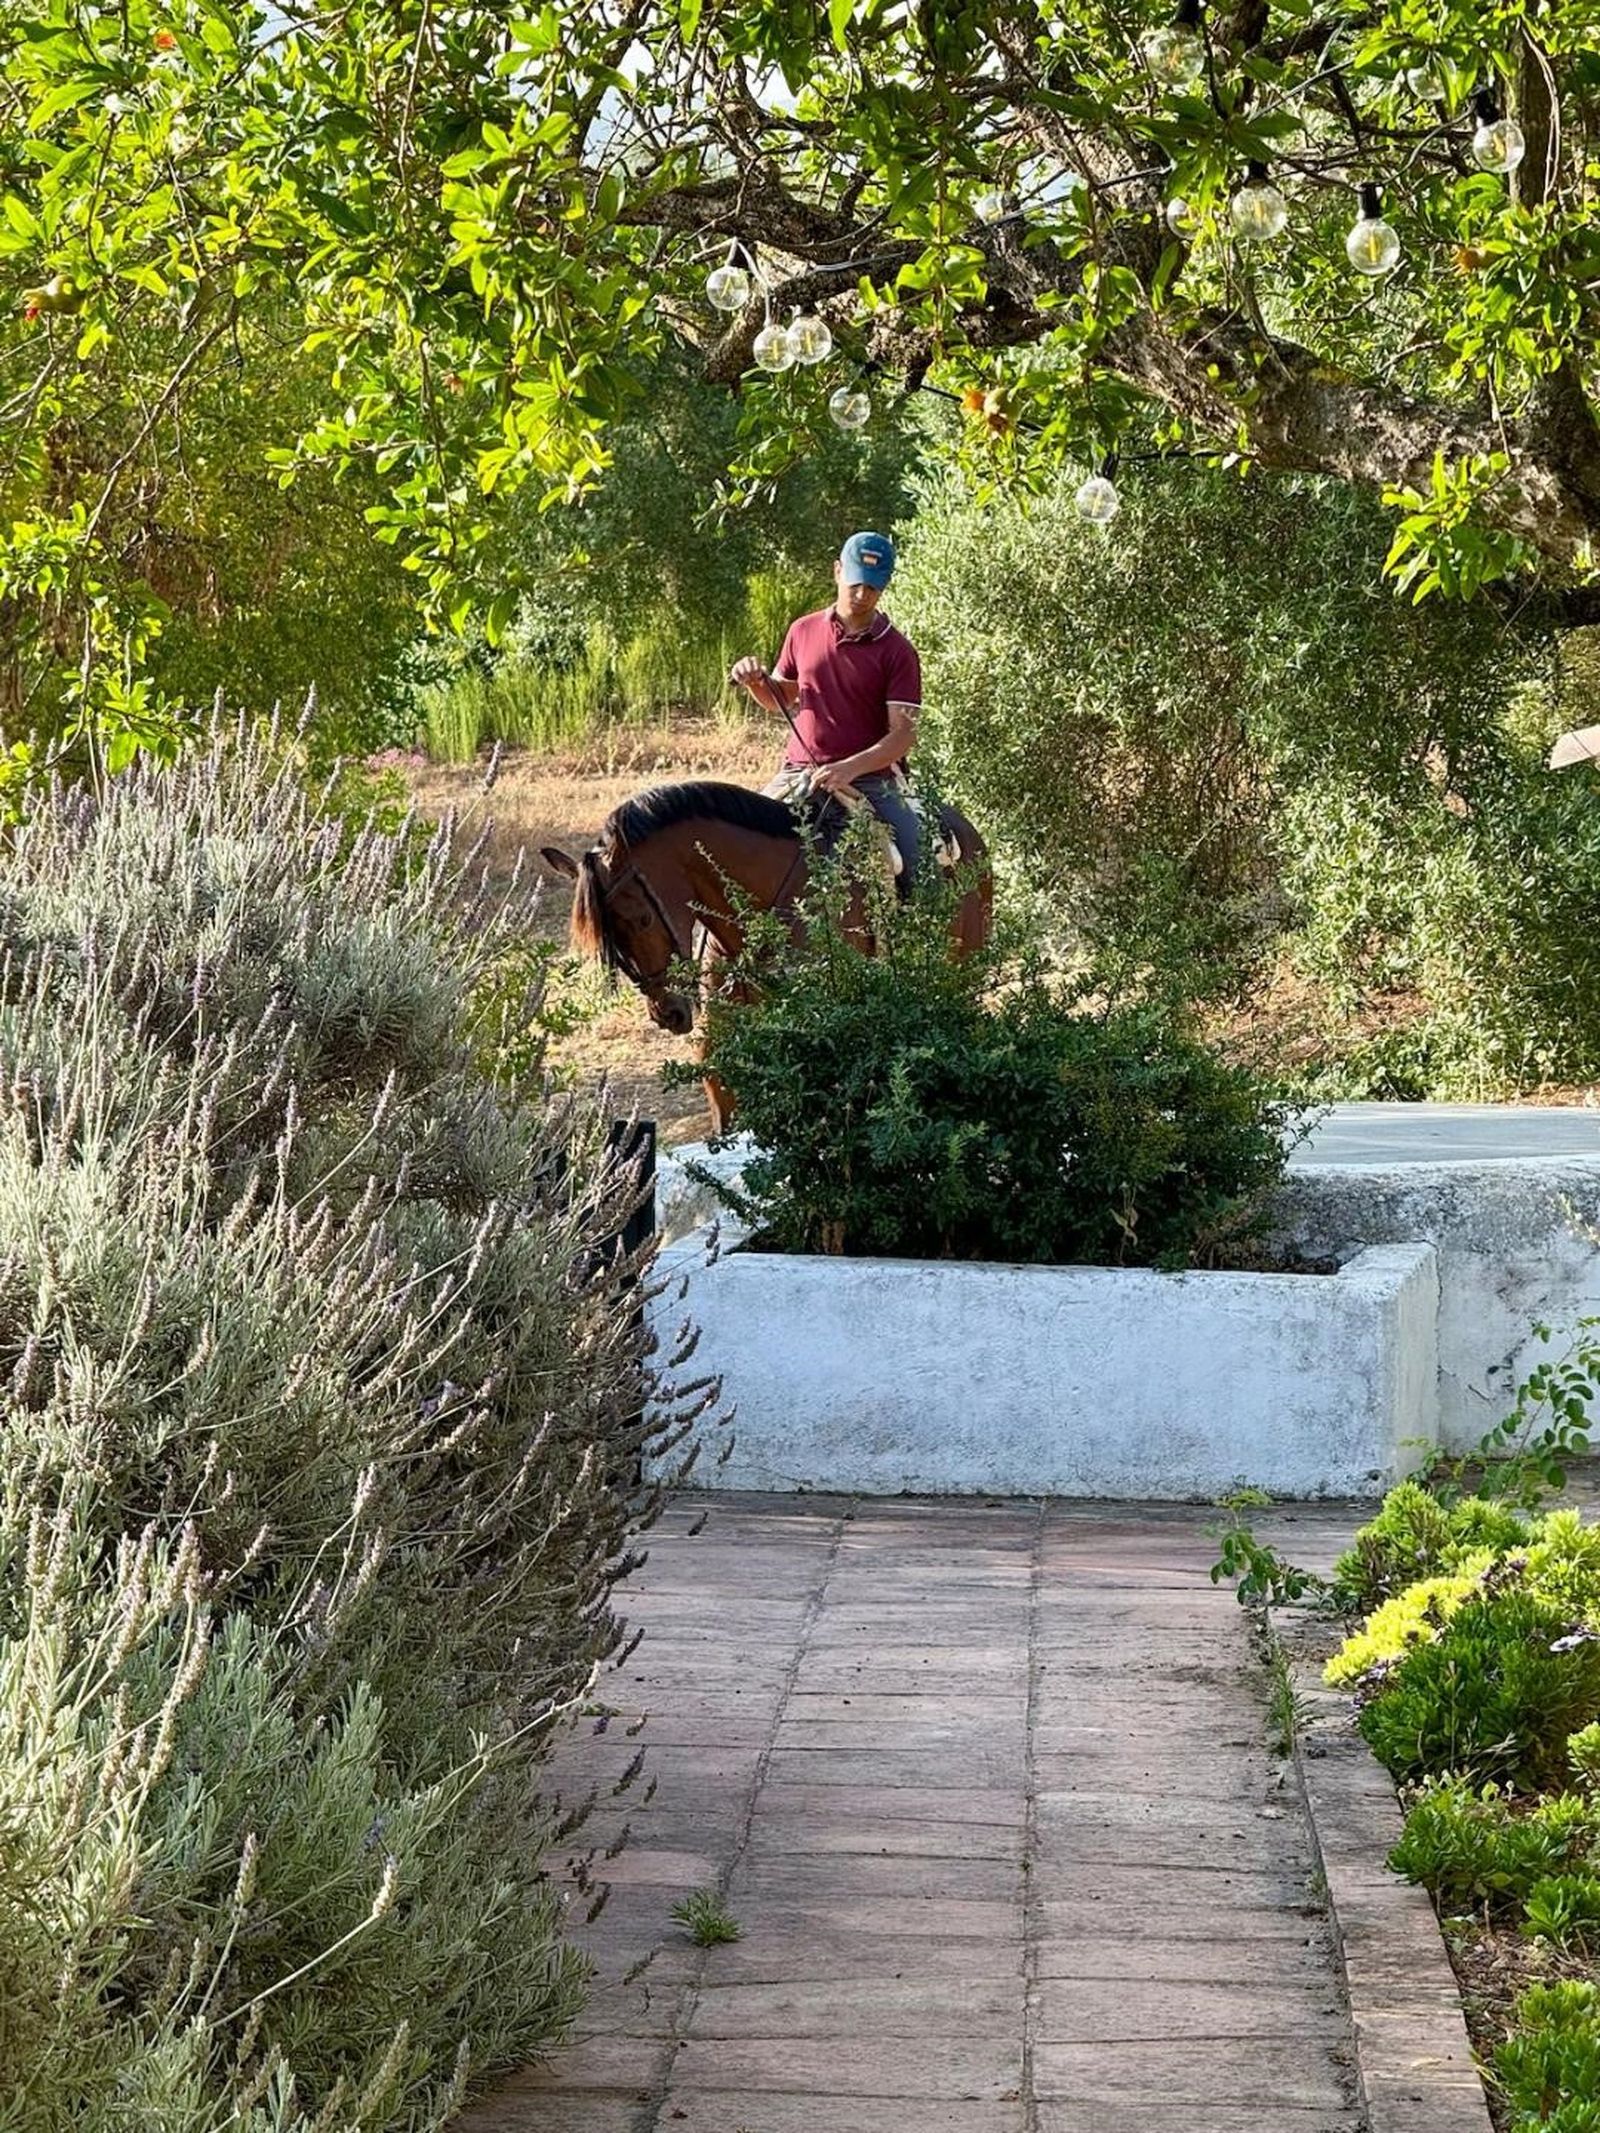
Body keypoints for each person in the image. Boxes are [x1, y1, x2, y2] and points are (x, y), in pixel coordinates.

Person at [729, 530, 924, 886]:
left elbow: (903, 736)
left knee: (919, 861)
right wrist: (756, 681)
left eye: (874, 588)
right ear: (837, 571)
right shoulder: (802, 631)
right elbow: (781, 698)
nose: (863, 595)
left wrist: (848, 768)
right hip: (798, 774)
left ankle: (924, 935)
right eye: (856, 583)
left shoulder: (898, 651)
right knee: (738, 846)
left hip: (873, 781)